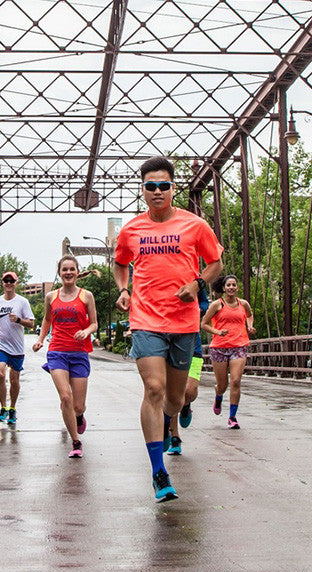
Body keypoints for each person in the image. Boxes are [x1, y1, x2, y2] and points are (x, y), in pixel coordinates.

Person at [114, 155, 223, 502]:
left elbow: (216, 262)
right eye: (151, 186)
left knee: (175, 401)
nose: (157, 191)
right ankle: (158, 471)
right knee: (154, 389)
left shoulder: (195, 225)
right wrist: (123, 289)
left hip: (183, 321)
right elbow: (120, 263)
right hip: (145, 319)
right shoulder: (131, 229)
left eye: (164, 185)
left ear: (173, 188)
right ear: (142, 190)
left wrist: (197, 283)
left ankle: (176, 415)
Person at [32, 256, 98, 459]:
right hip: (57, 352)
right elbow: (47, 319)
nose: (68, 273)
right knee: (65, 397)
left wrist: (87, 331)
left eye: (72, 269)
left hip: (79, 353)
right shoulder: (51, 296)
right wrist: (41, 340)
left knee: (78, 405)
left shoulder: (87, 296)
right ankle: (75, 441)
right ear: (59, 273)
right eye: (64, 270)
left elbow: (94, 323)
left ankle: (78, 416)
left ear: (77, 272)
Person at [201, 274, 254, 429]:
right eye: (228, 285)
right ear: (223, 288)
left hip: (239, 345)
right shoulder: (217, 305)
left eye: (234, 285)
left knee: (236, 381)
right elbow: (203, 324)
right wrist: (217, 332)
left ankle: (232, 417)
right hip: (219, 347)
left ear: (237, 288)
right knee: (222, 385)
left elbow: (249, 316)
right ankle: (218, 396)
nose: (231, 287)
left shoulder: (243, 304)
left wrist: (249, 326)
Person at [166, 285, 210, 456]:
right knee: (172, 394)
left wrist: (198, 308)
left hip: (193, 341)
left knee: (189, 391)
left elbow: (205, 303)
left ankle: (187, 404)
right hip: (166, 339)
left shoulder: (194, 278)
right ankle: (174, 437)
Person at [0, 271, 35, 424]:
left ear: (16, 283)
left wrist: (19, 320)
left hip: (17, 347)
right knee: (0, 374)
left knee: (14, 380)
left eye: (11, 281)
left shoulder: (22, 302)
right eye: (6, 281)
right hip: (0, 344)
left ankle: (12, 408)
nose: (8, 283)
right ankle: (3, 407)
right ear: (2, 283)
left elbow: (32, 323)